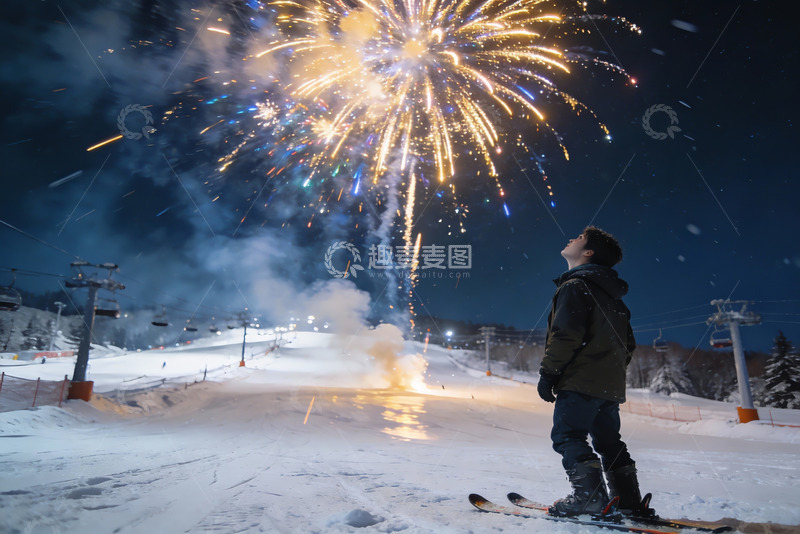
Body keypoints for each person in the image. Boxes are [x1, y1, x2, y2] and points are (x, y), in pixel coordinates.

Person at [537, 226, 654, 518]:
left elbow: (565, 335)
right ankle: (627, 500)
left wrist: (549, 374)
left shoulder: (575, 286)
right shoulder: (615, 298)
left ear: (587, 253)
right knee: (609, 442)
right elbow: (628, 345)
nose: (570, 239)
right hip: (608, 385)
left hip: (579, 381)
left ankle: (588, 497)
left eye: (577, 239)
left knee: (568, 436)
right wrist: (607, 373)